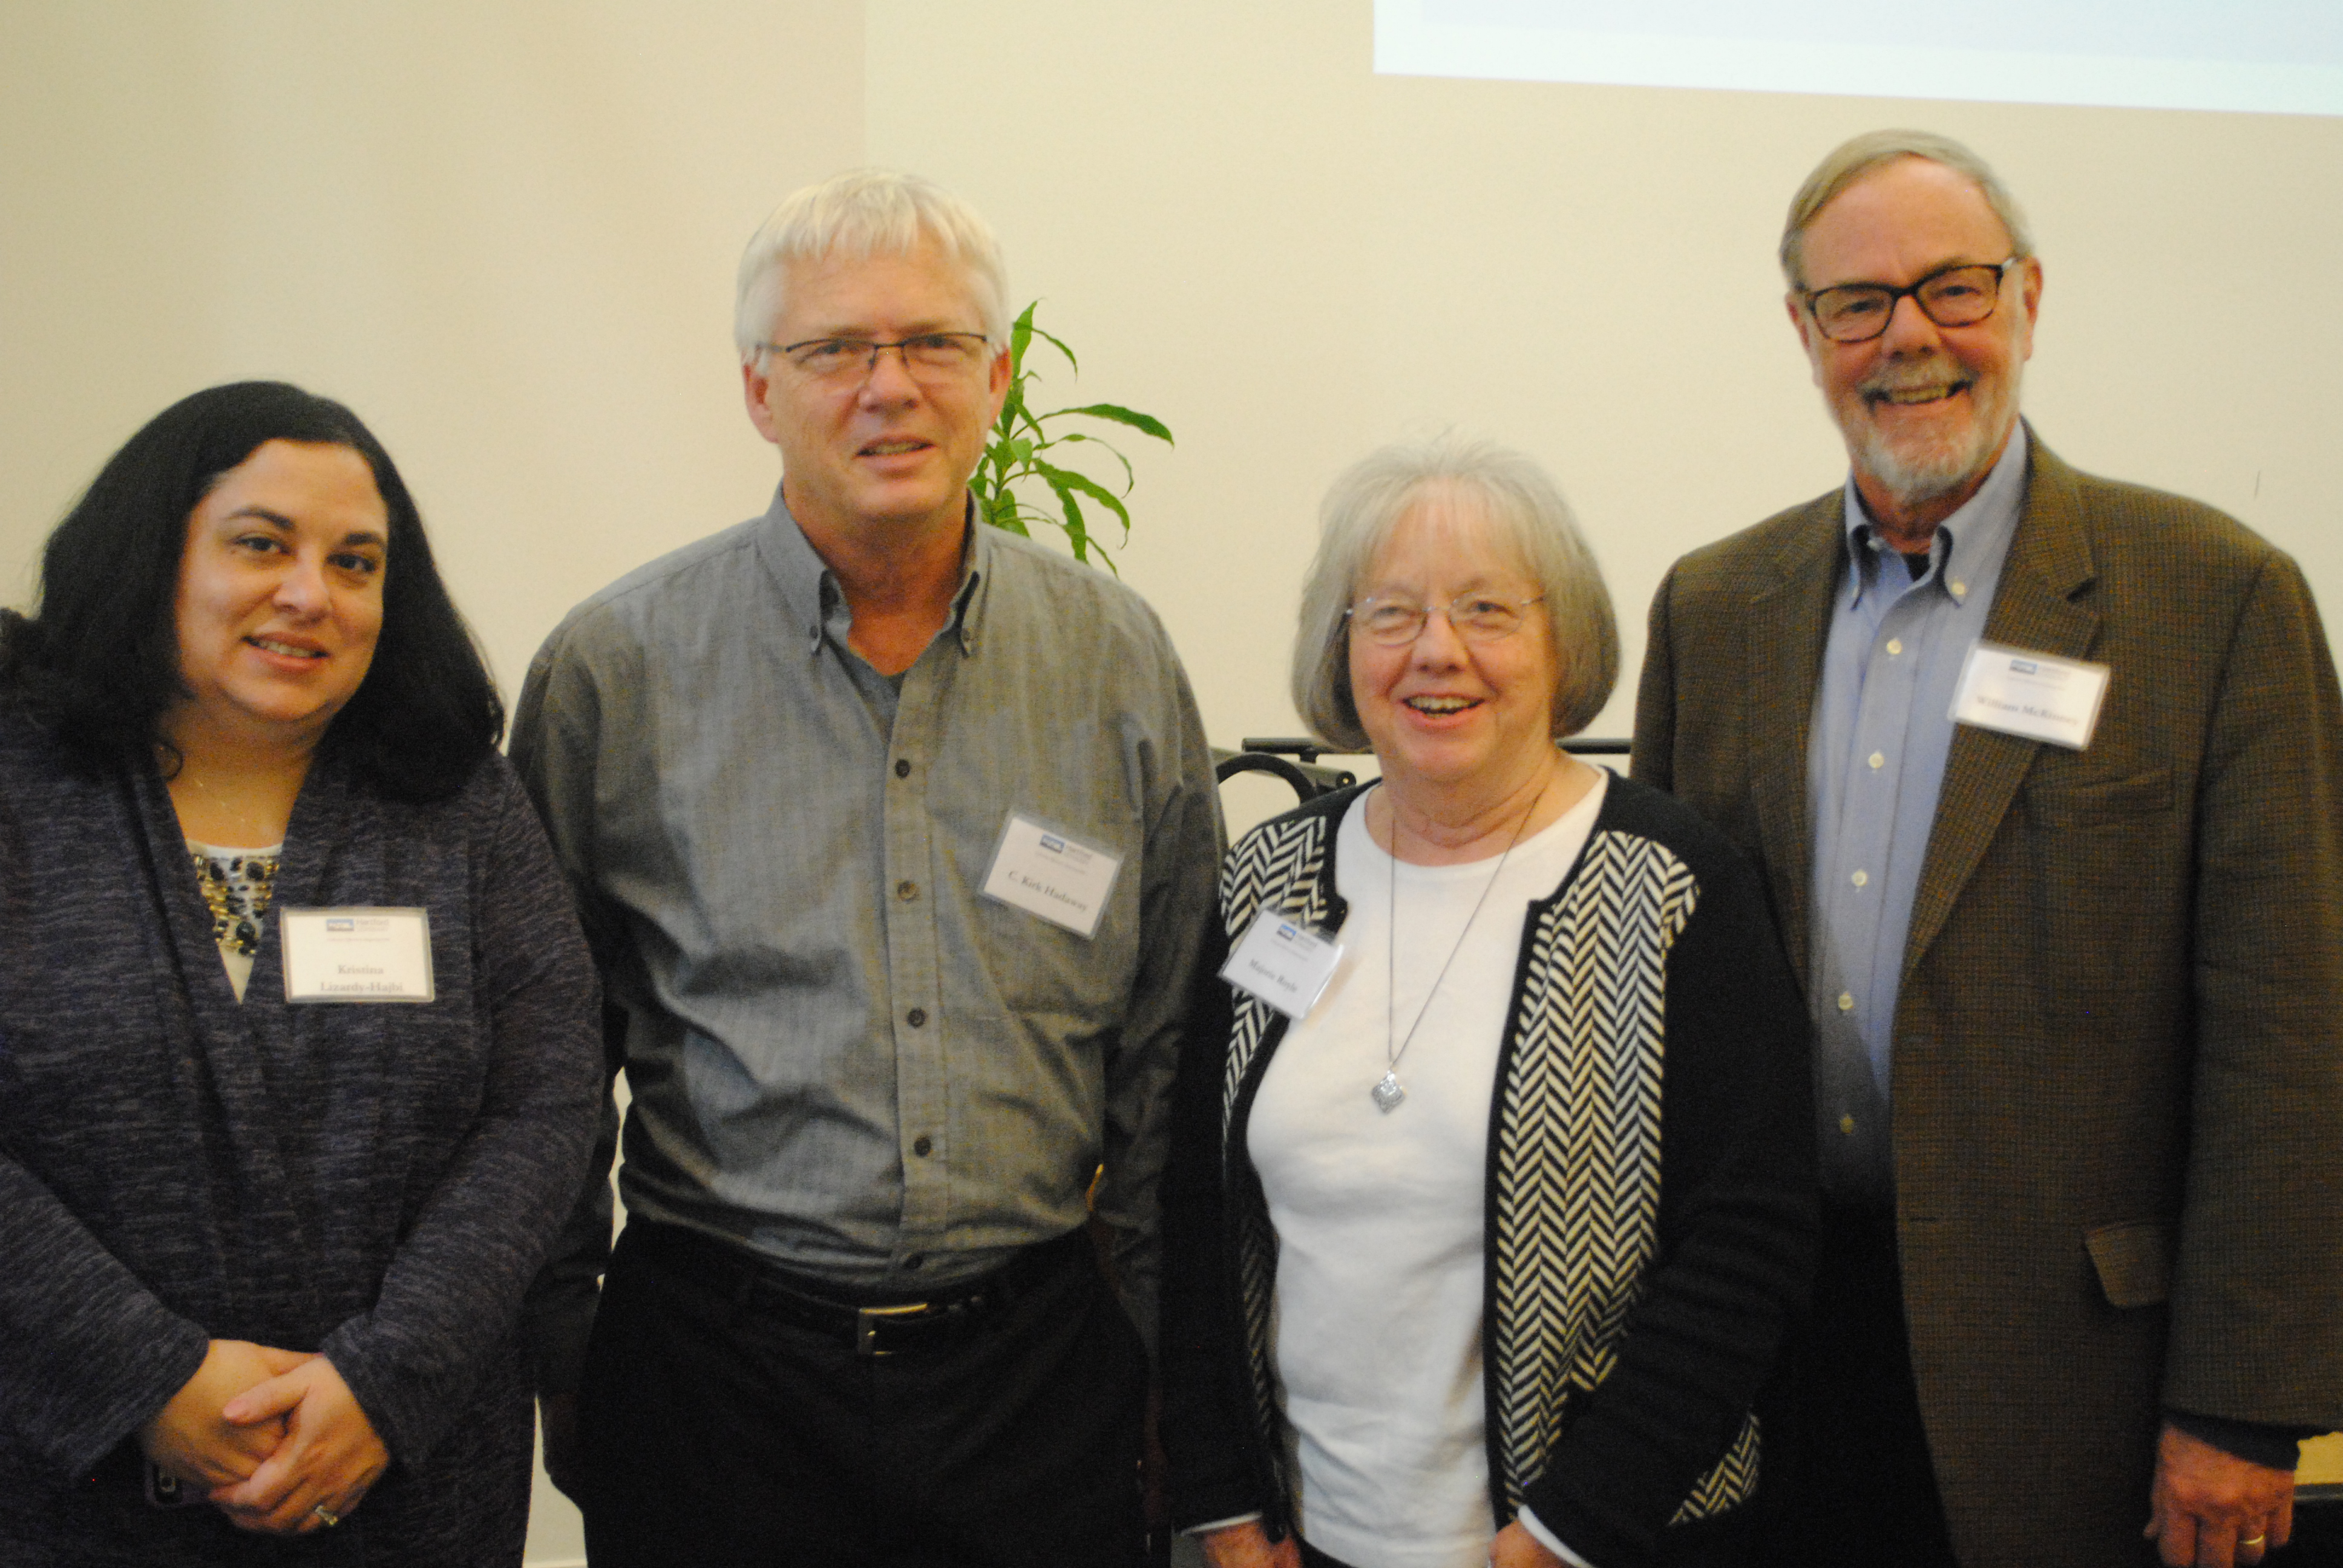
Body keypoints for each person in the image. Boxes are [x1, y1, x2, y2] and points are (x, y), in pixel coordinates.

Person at [1632, 128, 2343, 1568]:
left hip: (2080, 1377)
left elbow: (2291, 1037)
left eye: (1952, 288)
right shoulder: (1713, 610)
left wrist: (2244, 1405)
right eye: (1858, 303)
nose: (1908, 338)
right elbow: (1664, 1002)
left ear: (2028, 298)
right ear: (1804, 332)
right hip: (1768, 1347)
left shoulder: (2214, 602)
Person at [513, 168, 1223, 1566]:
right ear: (758, 391)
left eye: (933, 345)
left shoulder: (1116, 659)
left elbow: (1163, 1044)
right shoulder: (618, 670)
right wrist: (568, 1350)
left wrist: (1142, 1345)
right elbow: (542, 1063)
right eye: (835, 349)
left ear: (1000, 377)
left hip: (1034, 1378)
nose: (887, 387)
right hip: (717, 1383)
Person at [1159, 435, 1815, 1568]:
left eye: (1487, 611)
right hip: (1305, 1541)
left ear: (1564, 644)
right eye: (1391, 614)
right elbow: (1195, 1207)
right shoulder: (1272, 878)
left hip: (1597, 1544)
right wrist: (1222, 1503)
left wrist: (1568, 1533)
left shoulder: (1672, 885)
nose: (1437, 653)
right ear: (1342, 646)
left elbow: (1747, 1246)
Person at [0, 381, 603, 1563]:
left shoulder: (459, 801)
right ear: (154, 555)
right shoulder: (20, 785)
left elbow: (546, 1103)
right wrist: (149, 1378)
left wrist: (384, 1382)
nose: (307, 593)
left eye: (356, 562)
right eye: (261, 545)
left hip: (407, 1485)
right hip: (65, 1489)